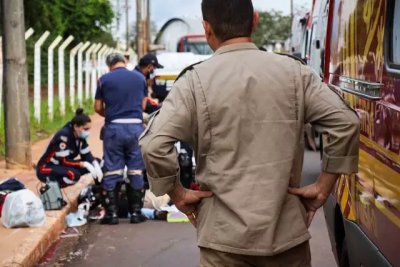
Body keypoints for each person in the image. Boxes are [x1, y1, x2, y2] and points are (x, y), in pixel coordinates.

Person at [139, 0, 360, 266]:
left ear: (207, 28)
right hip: (286, 236)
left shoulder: (193, 82)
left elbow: (153, 144)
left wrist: (177, 193)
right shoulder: (295, 73)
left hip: (223, 240)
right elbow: (346, 123)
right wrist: (324, 187)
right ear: (255, 21)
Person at [94, 52, 148, 225]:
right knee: (136, 170)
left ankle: (112, 214)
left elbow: (97, 107)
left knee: (112, 170)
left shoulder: (104, 79)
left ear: (109, 65)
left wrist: (110, 114)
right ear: (124, 62)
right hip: (136, 128)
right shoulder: (140, 78)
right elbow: (144, 105)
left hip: (114, 128)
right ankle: (136, 213)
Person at [36, 108, 102, 188]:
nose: (87, 132)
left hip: (61, 166)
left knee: (99, 162)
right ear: (76, 127)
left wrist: (94, 164)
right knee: (73, 175)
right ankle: (51, 188)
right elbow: (63, 161)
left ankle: (99, 189)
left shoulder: (80, 135)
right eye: (85, 129)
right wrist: (84, 164)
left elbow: (86, 155)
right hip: (47, 167)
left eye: (88, 129)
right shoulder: (64, 136)